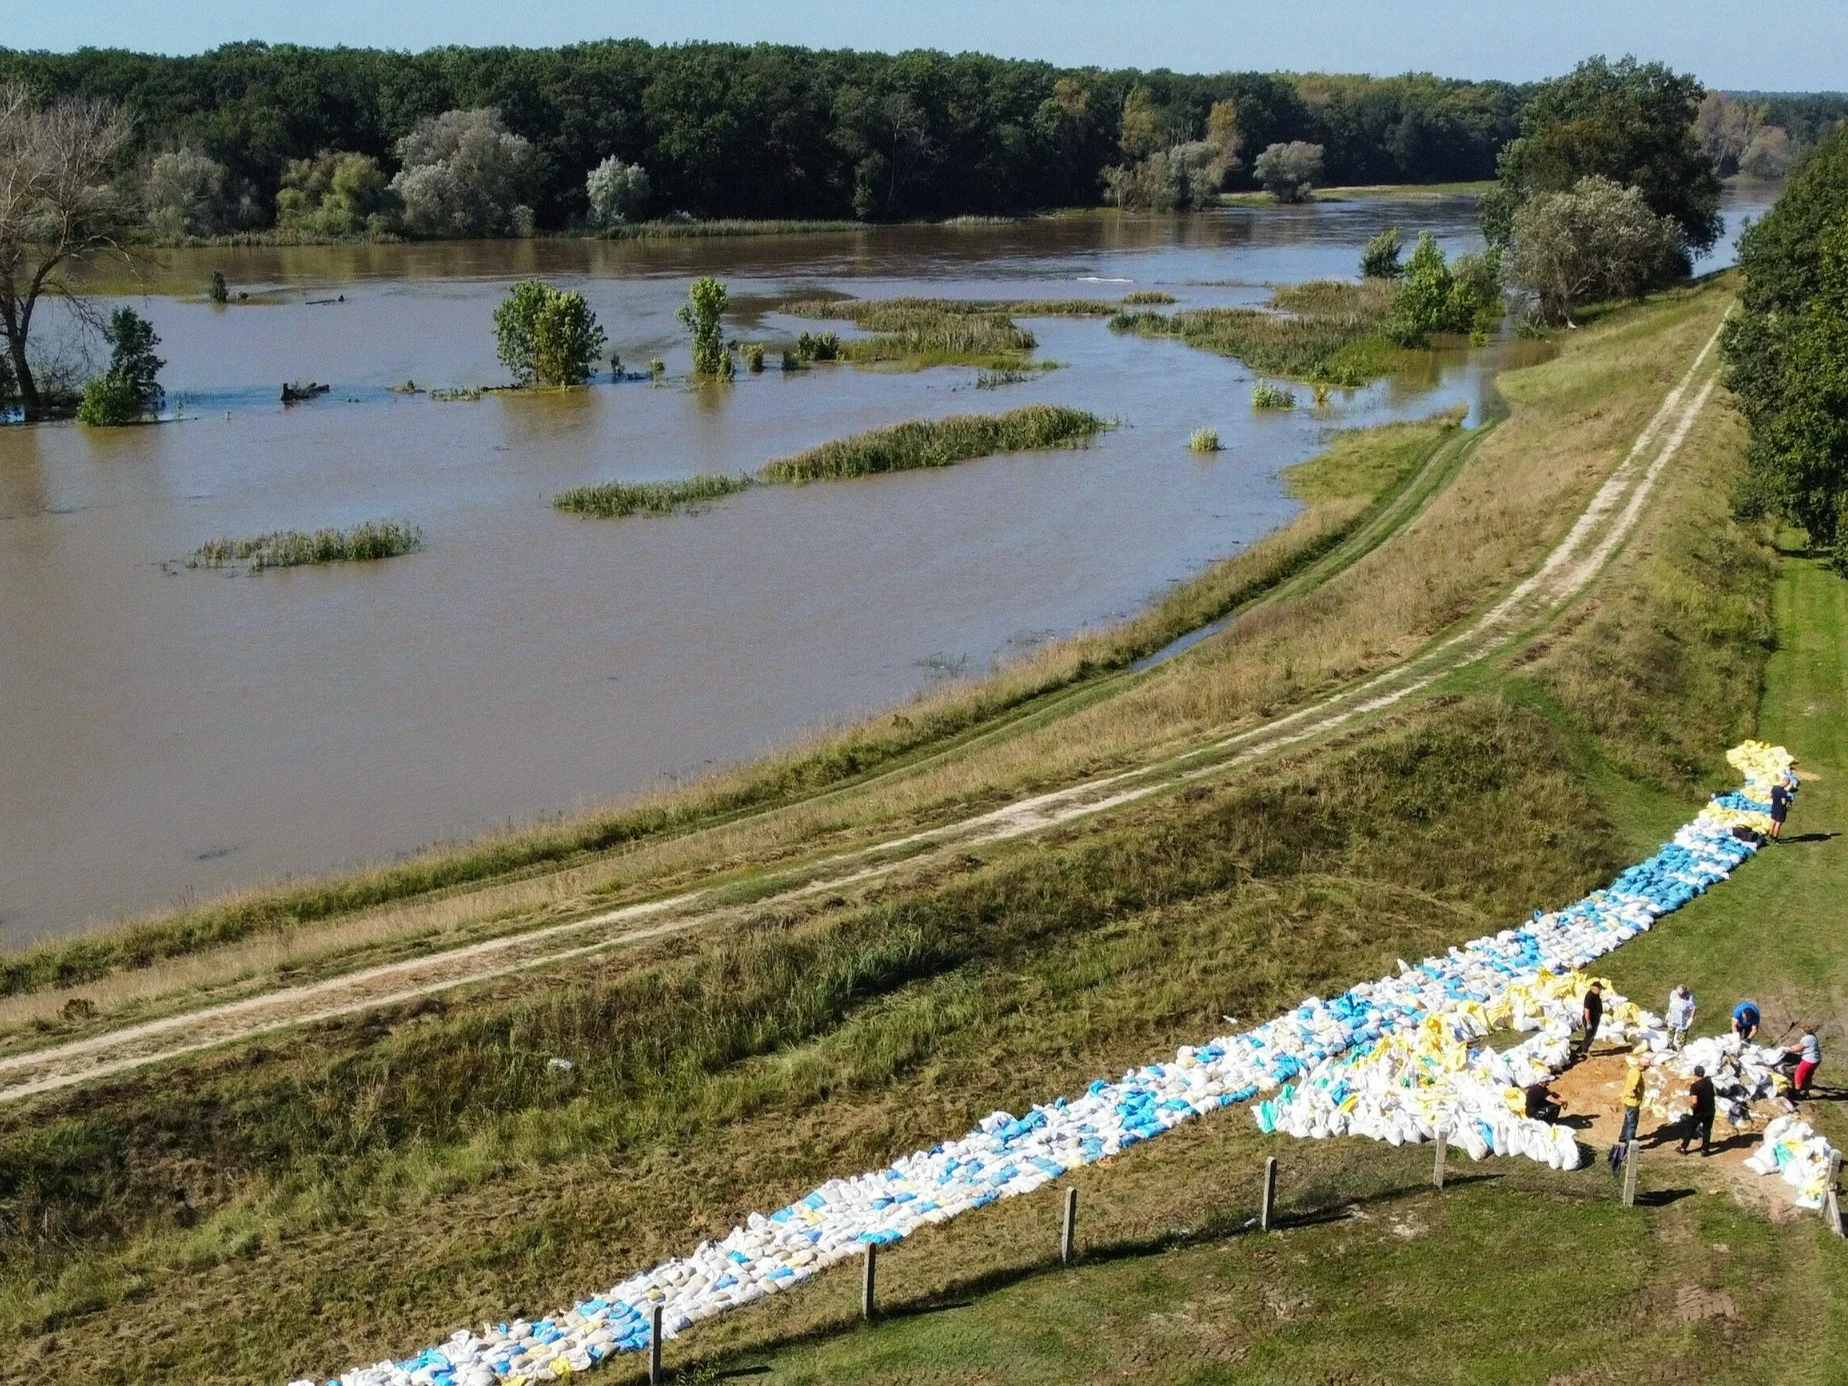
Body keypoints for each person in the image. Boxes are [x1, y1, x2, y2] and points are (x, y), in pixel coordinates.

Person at [1608, 1050, 1646, 1170]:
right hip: (1632, 1102)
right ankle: (1630, 1145)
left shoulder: (1632, 1070)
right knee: (1632, 1124)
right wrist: (1635, 1093)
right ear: (1643, 1066)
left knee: (1627, 1120)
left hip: (1628, 1102)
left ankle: (1623, 1138)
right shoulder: (1637, 1074)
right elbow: (1634, 1087)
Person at [1679, 1065, 1716, 1155]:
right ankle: (1704, 1150)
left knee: (1690, 1129)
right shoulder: (1709, 1084)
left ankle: (1683, 1148)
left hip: (1699, 1112)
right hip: (1710, 1111)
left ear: (1695, 1074)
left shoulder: (1695, 1086)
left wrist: (1692, 1108)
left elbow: (1694, 1101)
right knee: (1707, 1130)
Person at [1789, 1026, 1823, 1099]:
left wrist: (1787, 1049)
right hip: (1816, 1059)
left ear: (1803, 1030)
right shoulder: (1814, 1037)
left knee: (1798, 1074)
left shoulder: (1806, 1039)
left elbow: (1798, 1048)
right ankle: (1807, 1092)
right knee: (1808, 1075)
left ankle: (1796, 1093)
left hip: (1809, 1060)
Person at [1578, 982, 1605, 1060]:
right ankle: (1584, 1051)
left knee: (1591, 1035)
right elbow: (1587, 1010)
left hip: (1595, 1018)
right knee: (1589, 1035)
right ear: (1594, 988)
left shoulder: (1596, 995)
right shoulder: (1589, 996)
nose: (1600, 991)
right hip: (1590, 1019)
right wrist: (1588, 1022)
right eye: (1599, 989)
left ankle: (1580, 1049)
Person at [1665, 985, 1697, 1050]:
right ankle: (1669, 1045)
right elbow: (1671, 1003)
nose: (1680, 995)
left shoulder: (1689, 997)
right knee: (1670, 1031)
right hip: (1673, 1017)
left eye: (1681, 994)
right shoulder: (1673, 994)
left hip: (1683, 1019)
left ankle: (1680, 1049)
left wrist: (1691, 1018)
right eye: (1678, 994)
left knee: (1682, 1035)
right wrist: (1669, 1012)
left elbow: (1693, 1008)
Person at [1767, 774, 1792, 841]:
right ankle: (1775, 838)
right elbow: (1783, 802)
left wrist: (1775, 798)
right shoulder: (1784, 792)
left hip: (1774, 807)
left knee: (1773, 821)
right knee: (1778, 823)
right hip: (1781, 809)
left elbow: (1770, 796)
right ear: (1786, 783)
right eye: (1788, 784)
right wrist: (1788, 799)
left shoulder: (1774, 787)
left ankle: (1770, 835)